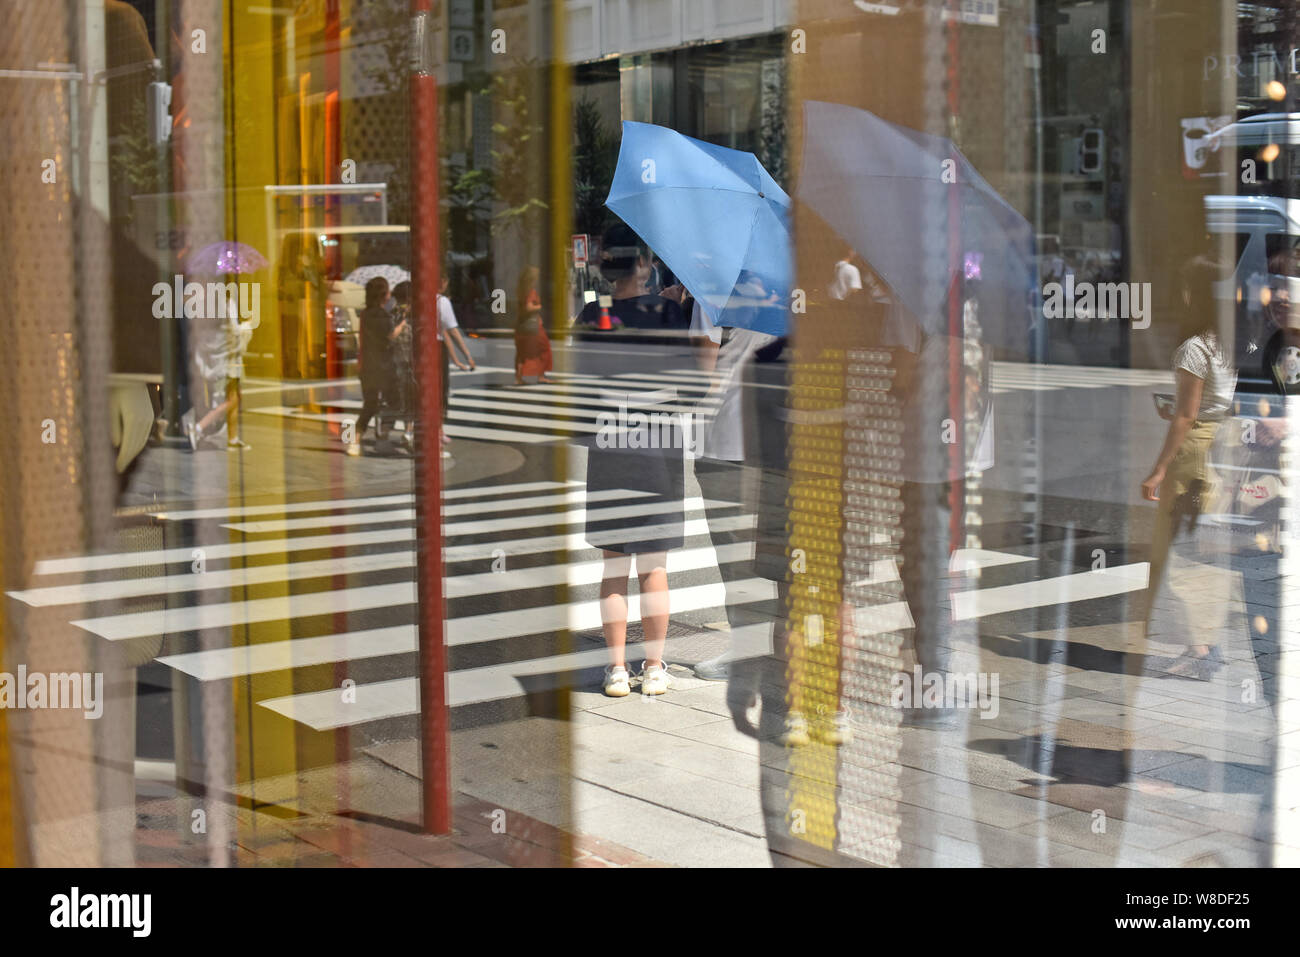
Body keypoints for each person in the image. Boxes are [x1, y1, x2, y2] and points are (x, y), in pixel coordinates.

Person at [574, 223, 687, 697]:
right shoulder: (668, 313)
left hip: (610, 450)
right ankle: (655, 668)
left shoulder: (591, 313)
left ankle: (617, 670)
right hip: (658, 451)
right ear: (644, 265)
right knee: (654, 568)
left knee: (614, 568)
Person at [1140, 256, 1238, 679]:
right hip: (1216, 445)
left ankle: (1197, 650)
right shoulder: (1223, 342)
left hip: (1192, 454)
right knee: (1200, 549)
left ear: (1190, 295)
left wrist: (1158, 470)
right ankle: (1206, 645)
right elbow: (1212, 406)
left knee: (1177, 550)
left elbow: (1185, 416)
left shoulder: (1193, 348)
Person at [184, 284, 253, 452]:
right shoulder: (226, 304)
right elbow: (233, 333)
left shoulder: (208, 303)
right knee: (232, 400)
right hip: (228, 360)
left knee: (235, 397)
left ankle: (233, 438)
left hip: (219, 359)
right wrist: (248, 325)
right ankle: (198, 428)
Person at [347, 276, 404, 457]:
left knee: (370, 404)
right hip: (383, 366)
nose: (389, 294)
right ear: (383, 295)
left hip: (367, 366)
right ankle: (381, 438)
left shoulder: (365, 313)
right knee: (395, 402)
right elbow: (390, 335)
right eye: (387, 291)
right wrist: (403, 323)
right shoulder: (380, 314)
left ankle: (356, 441)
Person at [513, 266, 553, 384]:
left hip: (520, 325)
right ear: (532, 279)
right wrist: (540, 306)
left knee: (521, 352)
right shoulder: (531, 291)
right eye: (536, 278)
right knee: (544, 349)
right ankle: (541, 376)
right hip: (533, 327)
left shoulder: (520, 290)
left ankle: (518, 378)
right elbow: (528, 307)